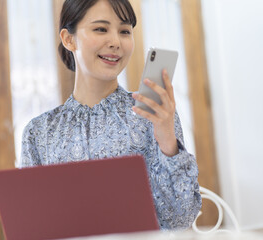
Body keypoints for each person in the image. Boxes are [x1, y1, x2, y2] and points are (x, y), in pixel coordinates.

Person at [17, 0, 202, 230]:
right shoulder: (39, 132)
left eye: (125, 31)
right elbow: (31, 226)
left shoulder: (152, 116)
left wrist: (167, 140)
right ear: (68, 39)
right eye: (101, 29)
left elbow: (180, 220)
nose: (115, 42)